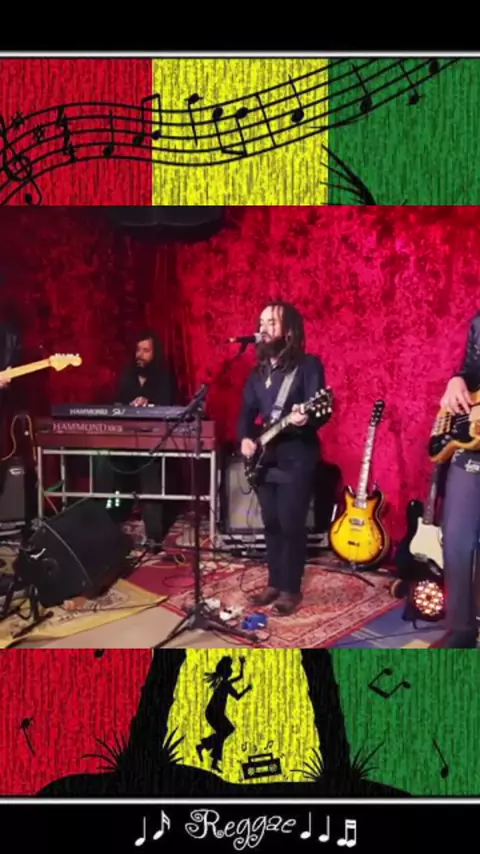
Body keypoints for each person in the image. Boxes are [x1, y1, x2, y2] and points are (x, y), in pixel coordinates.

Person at [237, 301, 326, 616]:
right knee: (272, 523)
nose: (263, 328)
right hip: (265, 460)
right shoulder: (258, 373)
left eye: (271, 323)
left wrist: (306, 417)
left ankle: (290, 589)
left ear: (288, 331)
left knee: (291, 524)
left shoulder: (308, 365)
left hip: (296, 458)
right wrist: (245, 439)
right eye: (261, 322)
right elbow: (245, 414)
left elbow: (320, 411)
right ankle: (274, 582)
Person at [94, 330, 179, 550]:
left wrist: (148, 403)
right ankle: (105, 528)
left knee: (149, 470)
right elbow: (117, 404)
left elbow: (168, 405)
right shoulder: (128, 375)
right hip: (124, 442)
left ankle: (153, 536)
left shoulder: (164, 376)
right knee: (104, 463)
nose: (140, 355)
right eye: (138, 350)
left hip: (153, 443)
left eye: (146, 350)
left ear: (155, 353)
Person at [434, 310, 480, 648]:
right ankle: (461, 630)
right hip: (471, 448)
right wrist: (456, 381)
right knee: (456, 540)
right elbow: (471, 369)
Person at [196, 655, 252, 772]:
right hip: (213, 713)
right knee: (225, 732)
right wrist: (247, 689)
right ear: (226, 672)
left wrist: (242, 664)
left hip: (215, 712)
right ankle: (205, 749)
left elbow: (240, 677)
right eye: (230, 669)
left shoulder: (225, 683)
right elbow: (237, 697)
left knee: (223, 734)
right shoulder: (225, 684)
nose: (231, 671)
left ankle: (205, 750)